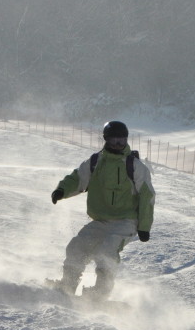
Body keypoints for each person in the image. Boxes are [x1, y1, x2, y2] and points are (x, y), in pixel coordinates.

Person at [49, 121, 155, 300]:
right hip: (100, 221)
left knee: (106, 251)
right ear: (106, 139)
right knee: (77, 247)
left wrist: (144, 227)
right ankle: (68, 283)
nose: (118, 144)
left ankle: (100, 292)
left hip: (126, 221)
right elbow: (77, 178)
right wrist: (62, 190)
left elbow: (147, 196)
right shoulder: (96, 161)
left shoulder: (134, 165)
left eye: (122, 140)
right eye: (114, 139)